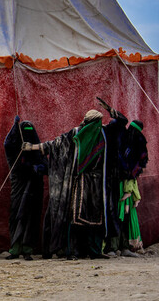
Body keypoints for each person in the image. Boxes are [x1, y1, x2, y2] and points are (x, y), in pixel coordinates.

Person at [23, 108, 126, 259]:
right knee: (76, 218)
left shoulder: (104, 133)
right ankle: (74, 251)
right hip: (80, 183)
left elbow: (122, 123)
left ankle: (95, 251)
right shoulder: (77, 133)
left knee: (97, 219)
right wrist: (33, 147)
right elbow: (56, 144)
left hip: (99, 185)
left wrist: (113, 112)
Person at [3, 116, 47, 260]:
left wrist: (36, 168)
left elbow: (46, 167)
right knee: (17, 217)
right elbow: (8, 144)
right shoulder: (15, 152)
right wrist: (15, 125)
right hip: (19, 189)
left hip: (34, 189)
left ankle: (27, 250)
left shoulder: (37, 150)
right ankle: (15, 249)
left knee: (31, 219)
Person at [111, 119, 148, 255]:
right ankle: (123, 246)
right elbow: (135, 169)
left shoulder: (124, 142)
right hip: (125, 185)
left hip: (122, 185)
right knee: (123, 214)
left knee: (120, 214)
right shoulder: (136, 144)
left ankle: (120, 246)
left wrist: (128, 190)